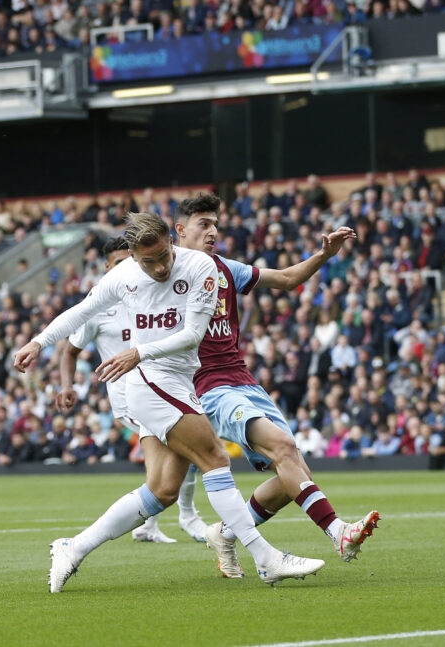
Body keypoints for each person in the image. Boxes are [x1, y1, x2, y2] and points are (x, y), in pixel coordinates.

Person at [13, 212, 325, 592]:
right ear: (132, 255)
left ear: (171, 242)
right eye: (149, 261)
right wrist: (37, 342)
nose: (160, 267)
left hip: (172, 376)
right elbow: (80, 312)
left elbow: (194, 334)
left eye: (164, 256)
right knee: (215, 458)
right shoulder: (122, 276)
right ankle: (266, 559)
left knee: (162, 490)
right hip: (151, 382)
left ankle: (73, 546)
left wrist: (138, 352)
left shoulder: (201, 267)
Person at [172, 193, 379, 578]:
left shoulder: (224, 268)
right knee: (284, 449)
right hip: (210, 387)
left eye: (216, 223)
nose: (214, 231)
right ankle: (338, 533)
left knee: (294, 473)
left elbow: (285, 279)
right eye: (204, 224)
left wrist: (323, 256)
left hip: (245, 381)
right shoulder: (166, 273)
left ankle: (227, 534)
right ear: (180, 231)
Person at [56, 236, 209, 544]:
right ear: (106, 267)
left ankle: (149, 523)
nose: (129, 268)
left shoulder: (148, 293)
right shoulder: (99, 307)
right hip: (130, 397)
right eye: (119, 263)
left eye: (133, 261)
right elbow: (70, 351)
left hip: (163, 386)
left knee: (179, 457)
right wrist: (66, 385)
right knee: (188, 449)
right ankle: (186, 516)